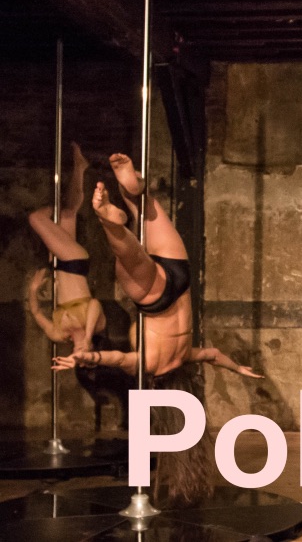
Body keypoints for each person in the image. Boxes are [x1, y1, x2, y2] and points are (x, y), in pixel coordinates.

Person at [51, 153, 260, 508]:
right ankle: (112, 224)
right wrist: (85, 357)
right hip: (156, 301)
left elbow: (212, 355)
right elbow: (116, 358)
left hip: (180, 280)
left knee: (148, 210)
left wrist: (238, 368)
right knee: (130, 259)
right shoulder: (151, 366)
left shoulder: (185, 357)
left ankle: (134, 193)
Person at [26, 143, 105, 353]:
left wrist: (33, 290)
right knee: (36, 218)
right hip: (74, 263)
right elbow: (95, 304)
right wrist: (87, 336)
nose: (80, 352)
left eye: (78, 356)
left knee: (68, 214)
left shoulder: (59, 334)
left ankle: (80, 167)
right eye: (86, 355)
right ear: (92, 348)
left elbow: (37, 314)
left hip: (60, 265)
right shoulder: (96, 327)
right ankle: (56, 206)